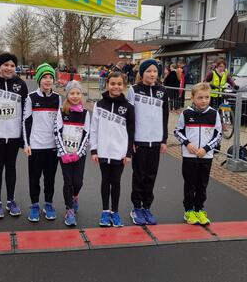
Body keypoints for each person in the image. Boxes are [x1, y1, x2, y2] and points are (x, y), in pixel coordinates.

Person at [127, 59, 169, 226]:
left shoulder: (162, 91)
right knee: (139, 176)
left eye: (154, 71)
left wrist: (164, 139)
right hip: (139, 141)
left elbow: (165, 116)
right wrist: (131, 140)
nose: (152, 74)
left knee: (151, 176)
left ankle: (146, 207)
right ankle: (136, 208)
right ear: (142, 73)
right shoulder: (133, 90)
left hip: (156, 141)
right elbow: (129, 118)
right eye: (148, 71)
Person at [90, 72, 135, 227]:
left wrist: (128, 153)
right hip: (102, 152)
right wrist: (94, 150)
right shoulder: (98, 105)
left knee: (116, 182)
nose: (116, 87)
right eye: (113, 83)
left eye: (119, 84)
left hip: (119, 153)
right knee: (105, 181)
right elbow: (94, 129)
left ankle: (115, 212)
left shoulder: (128, 107)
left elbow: (131, 132)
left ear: (124, 85)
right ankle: (105, 212)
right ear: (107, 84)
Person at [174, 82, 222, 226]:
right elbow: (177, 131)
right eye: (200, 97)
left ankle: (199, 209)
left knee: (202, 184)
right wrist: (188, 144)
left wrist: (206, 149)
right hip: (189, 156)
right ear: (193, 97)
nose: (204, 101)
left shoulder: (214, 113)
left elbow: (218, 135)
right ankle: (188, 210)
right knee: (190, 184)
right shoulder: (186, 113)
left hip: (206, 157)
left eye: (207, 97)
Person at [0, 53, 28, 219]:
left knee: (11, 166)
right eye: (6, 65)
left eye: (12, 65)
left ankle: (11, 200)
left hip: (14, 134)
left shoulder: (21, 84)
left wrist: (24, 136)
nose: (9, 68)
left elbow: (26, 110)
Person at [23, 63, 61, 222]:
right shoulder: (31, 97)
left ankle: (48, 204)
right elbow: (25, 121)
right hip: (36, 146)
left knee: (50, 178)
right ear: (39, 80)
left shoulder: (58, 98)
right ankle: (34, 205)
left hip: (52, 147)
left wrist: (61, 145)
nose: (47, 80)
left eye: (50, 77)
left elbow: (61, 124)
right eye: (44, 77)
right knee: (34, 178)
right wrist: (26, 144)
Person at [54, 80, 90, 226]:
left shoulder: (86, 113)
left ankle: (75, 197)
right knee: (68, 181)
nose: (75, 96)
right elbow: (57, 132)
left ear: (81, 95)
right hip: (64, 155)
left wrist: (78, 153)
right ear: (67, 95)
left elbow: (87, 135)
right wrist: (63, 153)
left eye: (78, 93)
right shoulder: (62, 112)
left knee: (78, 182)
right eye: (72, 93)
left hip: (78, 155)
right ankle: (69, 209)